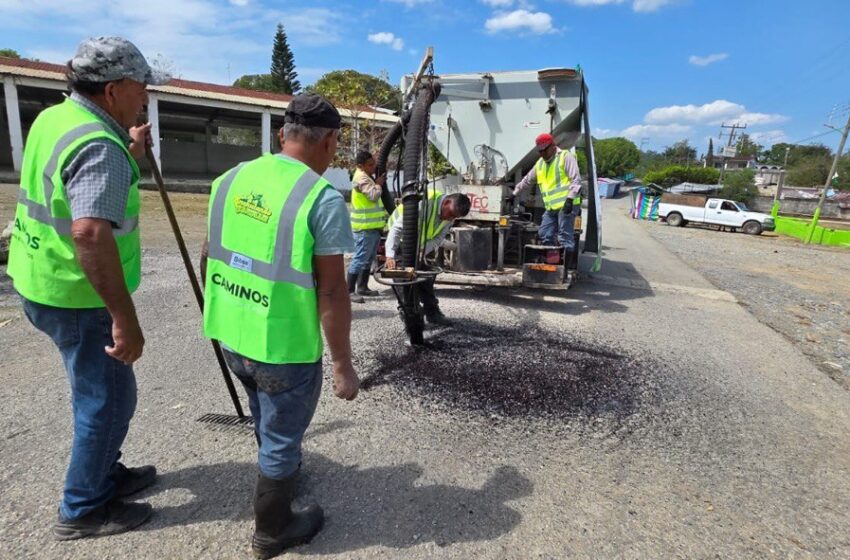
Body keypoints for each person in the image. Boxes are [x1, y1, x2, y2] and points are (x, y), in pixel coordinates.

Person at [6, 36, 168, 540]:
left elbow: (78, 184)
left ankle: (103, 473)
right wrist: (124, 317)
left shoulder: (57, 118)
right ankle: (83, 507)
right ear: (113, 89)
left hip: (39, 279)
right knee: (108, 401)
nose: (145, 97)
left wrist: (129, 150)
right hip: (78, 295)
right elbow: (89, 232)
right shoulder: (99, 145)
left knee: (98, 392)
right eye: (140, 87)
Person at [200, 94, 360, 559]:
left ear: (282, 134)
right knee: (282, 434)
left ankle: (279, 467)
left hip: (231, 333)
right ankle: (273, 529)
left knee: (264, 412)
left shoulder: (230, 179)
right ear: (329, 141)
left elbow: (210, 253)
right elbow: (332, 292)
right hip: (282, 347)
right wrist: (343, 365)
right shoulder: (321, 199)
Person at [384, 191, 470, 326]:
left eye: (455, 217)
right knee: (402, 276)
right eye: (451, 214)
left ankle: (432, 313)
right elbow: (396, 229)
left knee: (425, 277)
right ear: (447, 202)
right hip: (400, 239)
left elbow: (438, 238)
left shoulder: (451, 215)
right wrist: (390, 254)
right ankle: (408, 311)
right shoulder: (424, 202)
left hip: (420, 244)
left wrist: (423, 250)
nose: (450, 219)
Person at [513, 132, 582, 250]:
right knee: (544, 233)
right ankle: (552, 258)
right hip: (551, 208)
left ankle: (567, 260)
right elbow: (527, 180)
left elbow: (576, 180)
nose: (542, 153)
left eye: (545, 149)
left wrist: (570, 199)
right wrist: (514, 193)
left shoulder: (565, 157)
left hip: (567, 205)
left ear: (553, 146)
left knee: (565, 236)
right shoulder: (540, 164)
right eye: (540, 151)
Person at [347, 149, 387, 303]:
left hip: (372, 227)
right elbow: (373, 195)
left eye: (373, 163)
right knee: (359, 258)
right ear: (360, 166)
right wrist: (378, 185)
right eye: (370, 165)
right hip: (364, 227)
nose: (373, 167)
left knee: (368, 259)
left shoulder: (366, 176)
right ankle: (349, 291)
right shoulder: (361, 178)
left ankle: (362, 287)